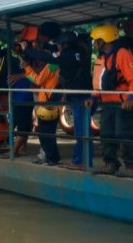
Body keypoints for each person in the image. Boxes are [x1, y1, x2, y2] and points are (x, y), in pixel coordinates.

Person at [87, 24, 133, 176]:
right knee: (106, 134)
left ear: (104, 40)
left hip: (122, 103)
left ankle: (130, 167)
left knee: (125, 134)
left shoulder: (122, 54)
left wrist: (130, 98)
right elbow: (97, 82)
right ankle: (110, 164)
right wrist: (93, 98)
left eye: (96, 40)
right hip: (107, 103)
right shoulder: (100, 57)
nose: (94, 43)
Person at [54, 32, 93, 170]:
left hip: (78, 96)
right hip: (84, 94)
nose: (58, 47)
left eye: (59, 45)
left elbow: (53, 62)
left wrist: (28, 51)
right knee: (84, 129)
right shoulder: (83, 52)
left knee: (81, 130)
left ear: (65, 44)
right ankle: (84, 160)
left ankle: (80, 162)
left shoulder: (67, 55)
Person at [24, 58, 61, 165]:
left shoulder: (51, 65)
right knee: (49, 133)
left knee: (45, 133)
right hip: (54, 101)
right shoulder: (57, 64)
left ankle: (51, 159)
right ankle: (54, 157)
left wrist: (27, 68)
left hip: (47, 104)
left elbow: (38, 80)